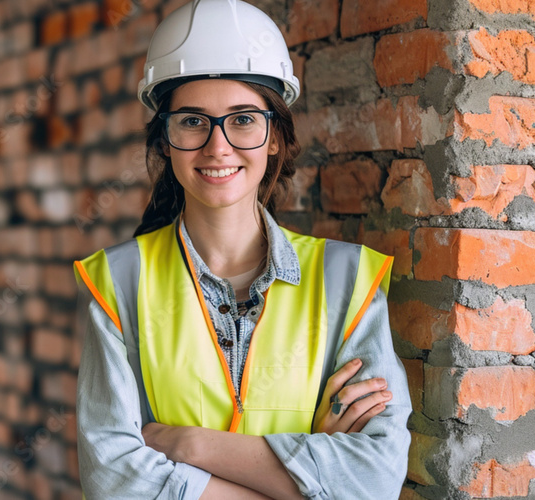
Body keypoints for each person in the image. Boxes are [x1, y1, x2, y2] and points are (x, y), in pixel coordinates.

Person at [71, 1, 411, 499]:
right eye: (192, 121)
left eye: (243, 120)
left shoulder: (346, 278)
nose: (218, 147)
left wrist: (187, 445)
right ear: (165, 140)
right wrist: (305, 478)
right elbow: (114, 481)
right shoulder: (119, 280)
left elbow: (373, 480)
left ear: (274, 136)